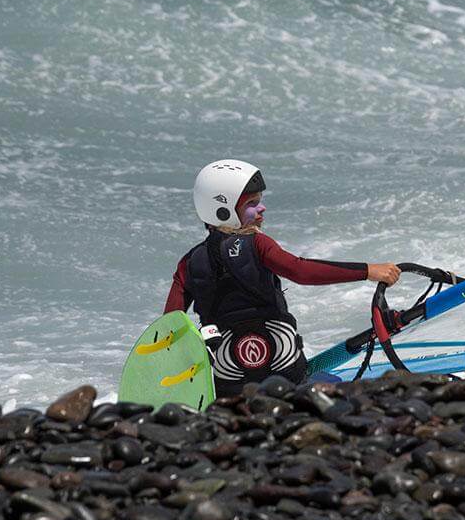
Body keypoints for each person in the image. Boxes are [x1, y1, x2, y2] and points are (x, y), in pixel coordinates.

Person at [163, 159, 400, 396]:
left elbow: (170, 324)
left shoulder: (189, 263)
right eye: (252, 203)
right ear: (223, 211)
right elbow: (301, 271)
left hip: (228, 379)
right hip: (283, 367)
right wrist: (368, 270)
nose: (262, 208)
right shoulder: (257, 244)